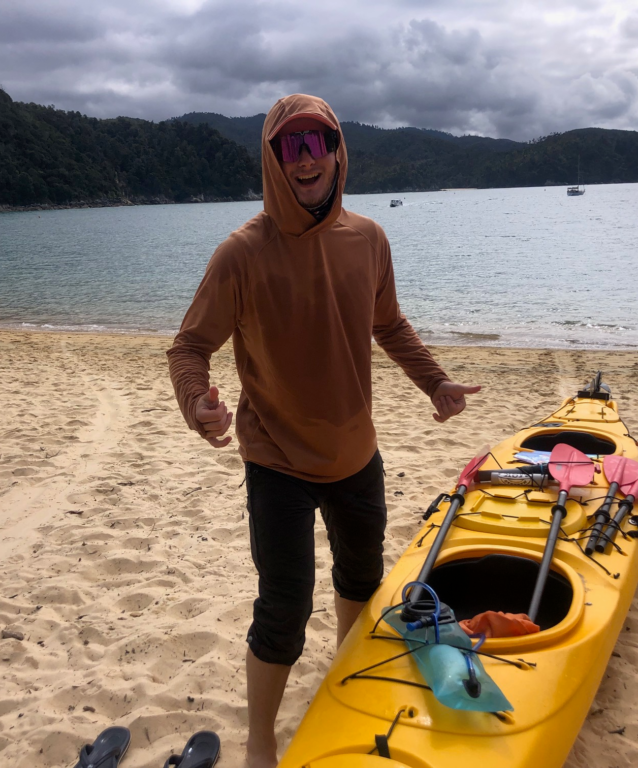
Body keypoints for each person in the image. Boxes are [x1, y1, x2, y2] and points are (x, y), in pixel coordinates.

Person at [167, 93, 479, 768]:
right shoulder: (240, 255)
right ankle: (259, 742)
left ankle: (345, 688)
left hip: (355, 453)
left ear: (338, 151)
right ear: (274, 160)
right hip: (275, 459)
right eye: (291, 147)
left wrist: (435, 382)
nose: (306, 160)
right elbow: (189, 347)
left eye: (319, 143)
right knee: (282, 611)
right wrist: (198, 406)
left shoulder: (367, 238)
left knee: (362, 585)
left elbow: (387, 323)